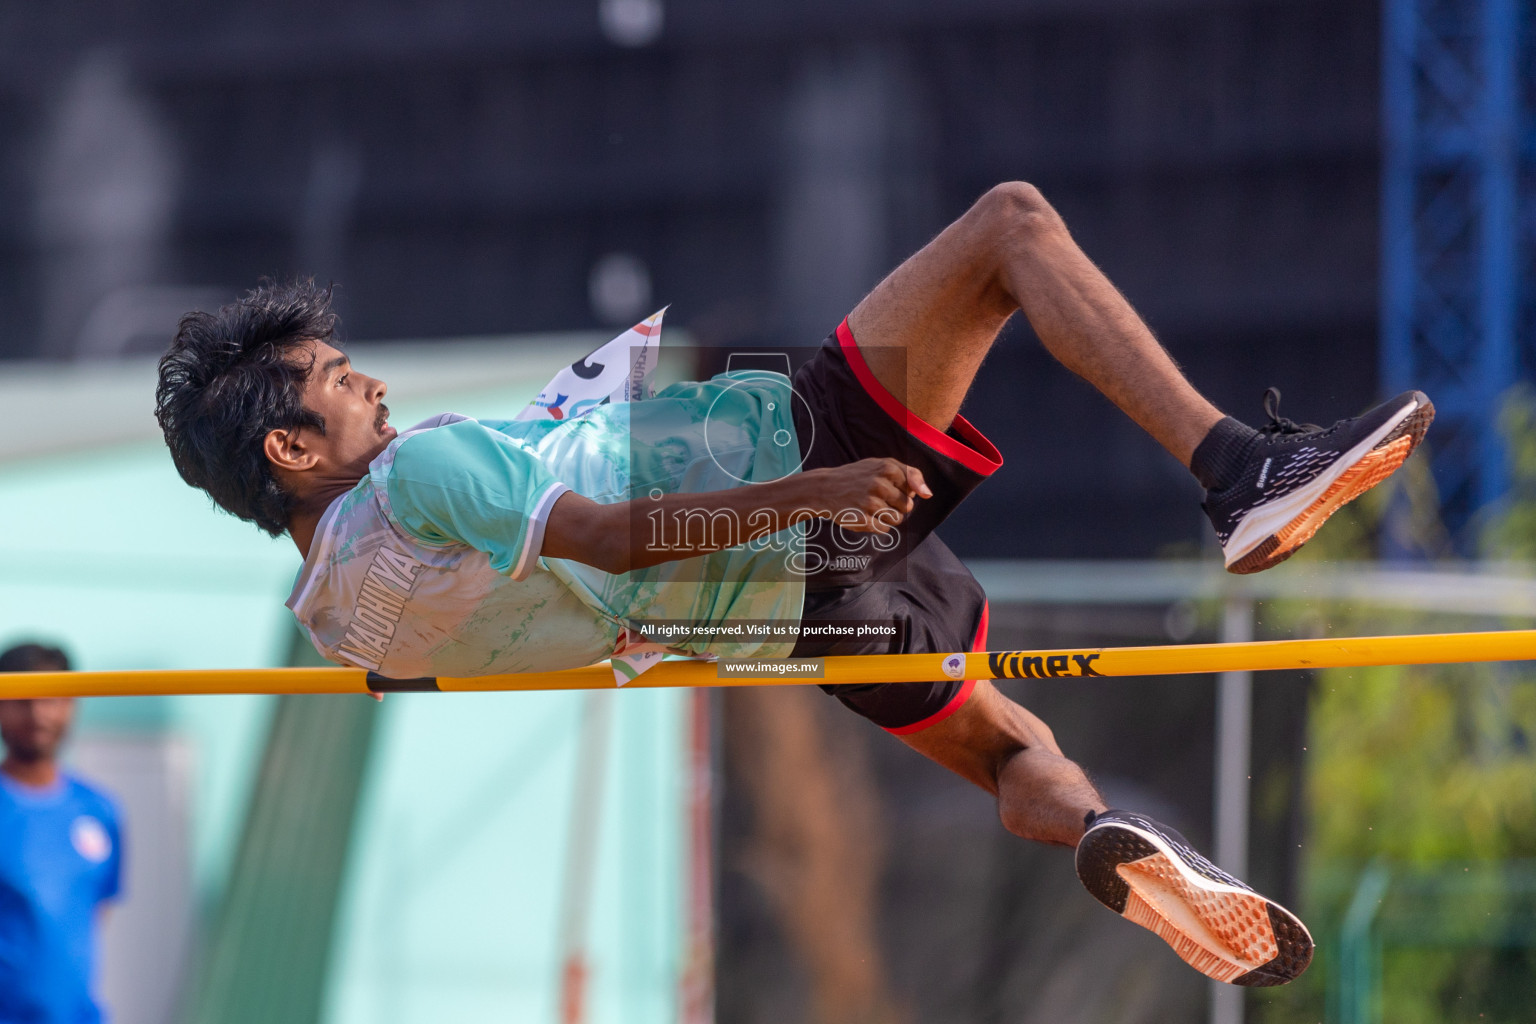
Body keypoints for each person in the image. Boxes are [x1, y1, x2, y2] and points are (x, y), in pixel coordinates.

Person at [155, 182, 1431, 987]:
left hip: (777, 629)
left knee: (1005, 748)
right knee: (1009, 230)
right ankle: (1240, 470)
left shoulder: (338, 626)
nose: (369, 383)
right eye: (337, 378)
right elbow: (600, 535)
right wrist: (807, 495)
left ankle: (1097, 829)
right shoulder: (422, 467)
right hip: (776, 471)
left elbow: (521, 618)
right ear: (289, 449)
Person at [0, 643, 123, 1024]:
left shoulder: (98, 809)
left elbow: (95, 912)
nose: (38, 713)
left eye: (52, 699)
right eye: (22, 699)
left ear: (71, 705)